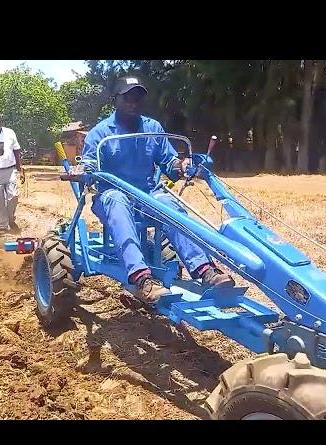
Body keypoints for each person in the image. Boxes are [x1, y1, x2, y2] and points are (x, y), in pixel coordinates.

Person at [81, 76, 235, 306]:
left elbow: (169, 161)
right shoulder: (100, 133)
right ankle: (141, 278)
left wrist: (180, 166)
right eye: (127, 97)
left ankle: (204, 269)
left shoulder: (152, 128)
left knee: (170, 205)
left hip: (148, 193)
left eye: (137, 98)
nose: (133, 102)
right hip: (112, 195)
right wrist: (84, 170)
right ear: (116, 100)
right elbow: (89, 166)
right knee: (117, 200)